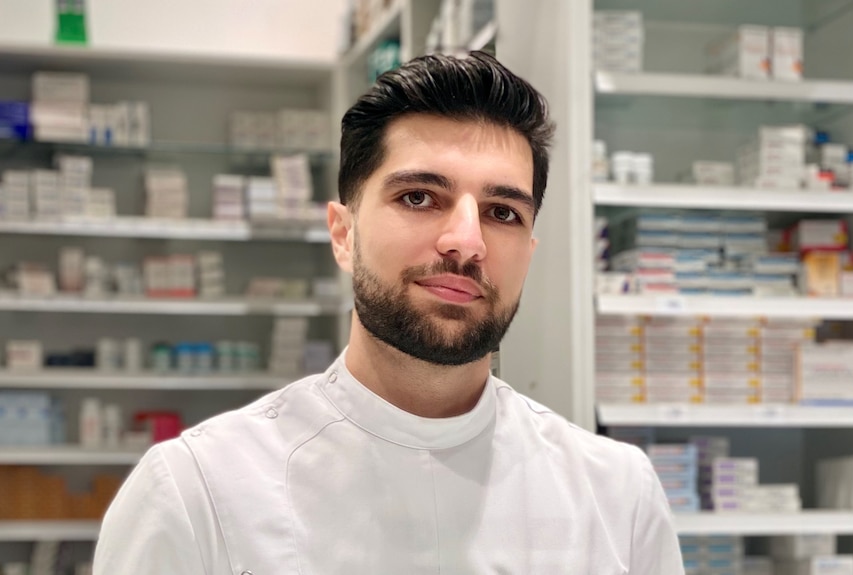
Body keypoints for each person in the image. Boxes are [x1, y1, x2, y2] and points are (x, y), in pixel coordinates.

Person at [93, 51, 684, 574]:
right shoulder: (198, 492)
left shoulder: (617, 496)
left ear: (528, 253)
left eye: (503, 212)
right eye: (419, 198)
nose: (466, 242)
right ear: (343, 234)